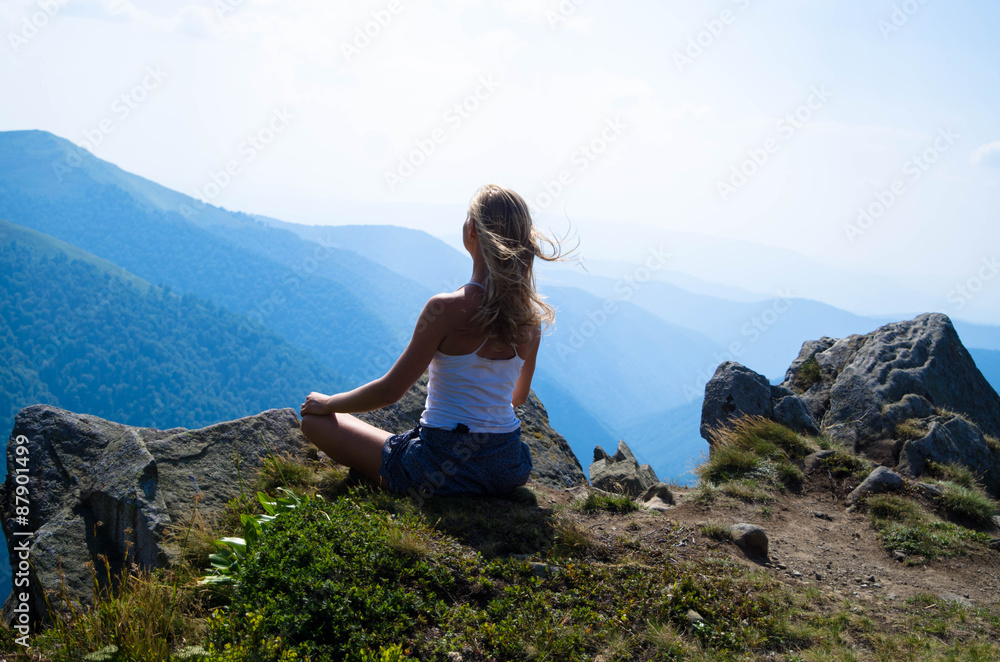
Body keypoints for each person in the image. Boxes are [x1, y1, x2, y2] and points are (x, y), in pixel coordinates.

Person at [299, 184, 574, 498]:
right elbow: (518, 397)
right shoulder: (530, 320)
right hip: (507, 465)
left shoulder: (444, 308)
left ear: (471, 230)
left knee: (314, 423)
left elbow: (390, 392)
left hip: (440, 465)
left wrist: (328, 403)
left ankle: (400, 474)